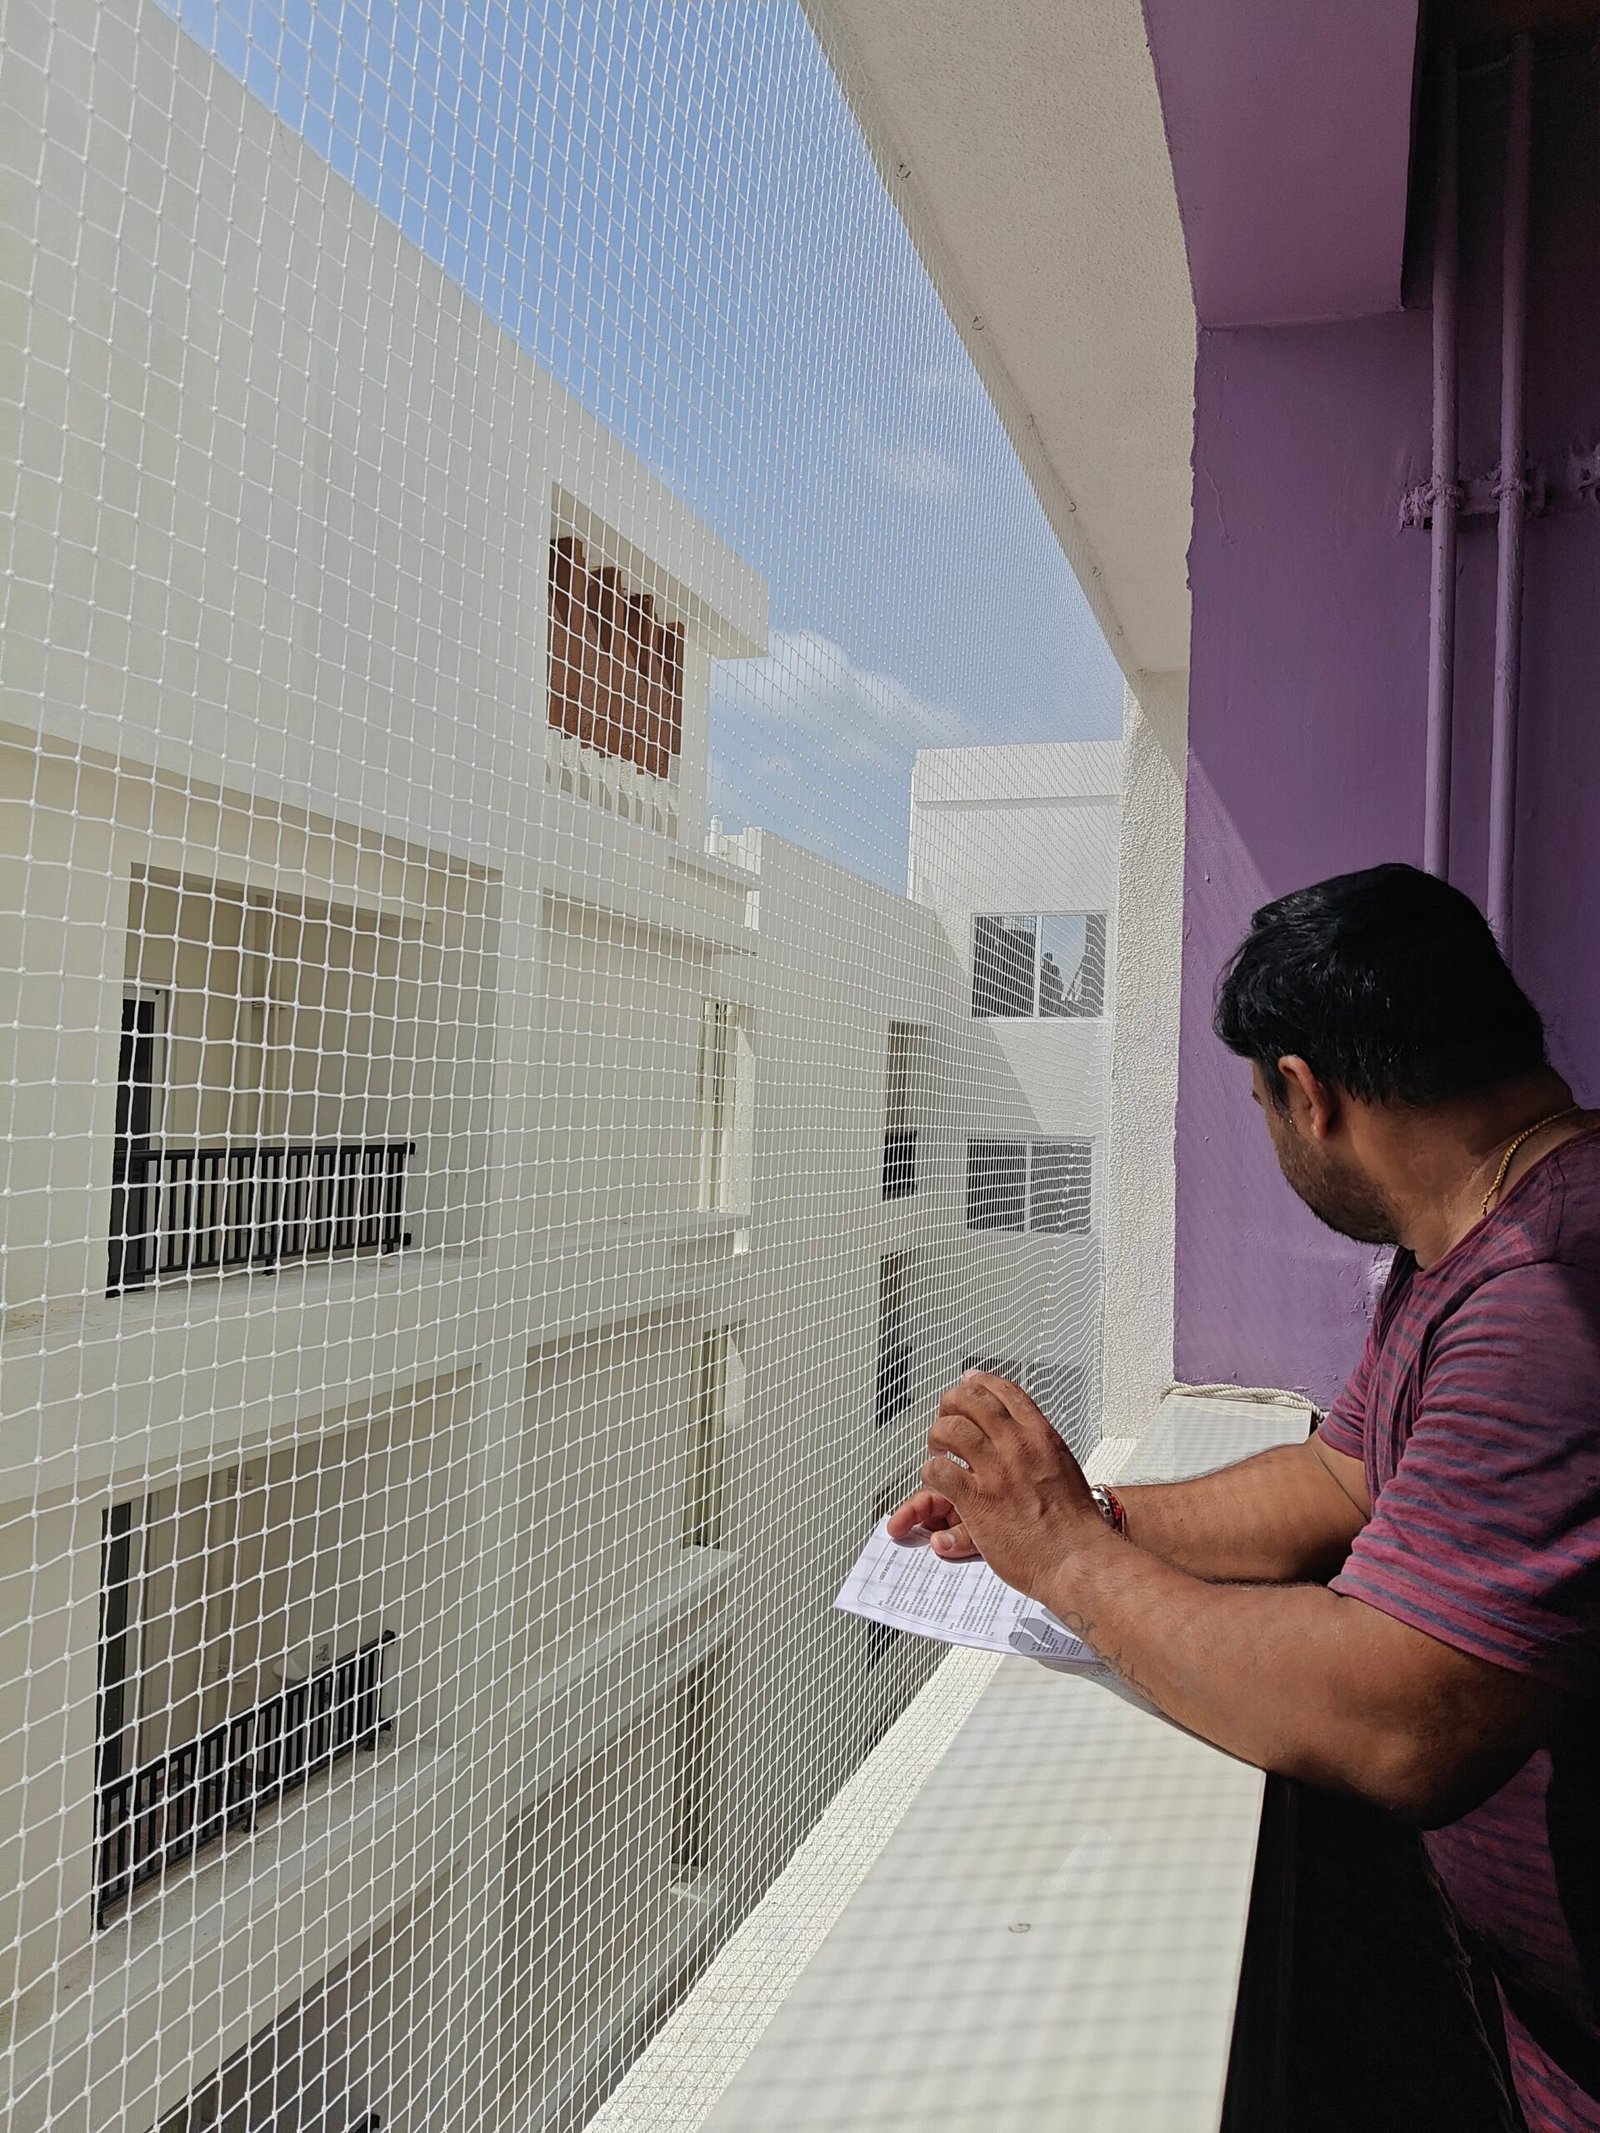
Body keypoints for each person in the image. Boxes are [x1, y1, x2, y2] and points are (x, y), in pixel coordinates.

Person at [890, 863, 1600, 2133]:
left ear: (1307, 1095)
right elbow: (1341, 1474)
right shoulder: (1467, 1244)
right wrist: (1082, 1518)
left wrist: (1068, 1563)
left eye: (1260, 1102)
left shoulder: (1553, 1293)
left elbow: (1402, 1720)